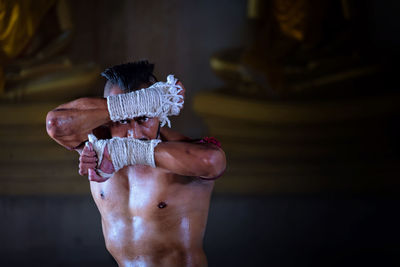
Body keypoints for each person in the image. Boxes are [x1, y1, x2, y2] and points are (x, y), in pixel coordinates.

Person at [46, 60, 226, 267]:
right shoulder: (98, 145)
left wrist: (123, 152)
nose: (133, 132)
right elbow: (55, 124)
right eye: (121, 120)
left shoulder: (183, 150)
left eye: (143, 118)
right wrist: (141, 103)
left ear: (160, 112)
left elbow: (212, 162)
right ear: (106, 117)